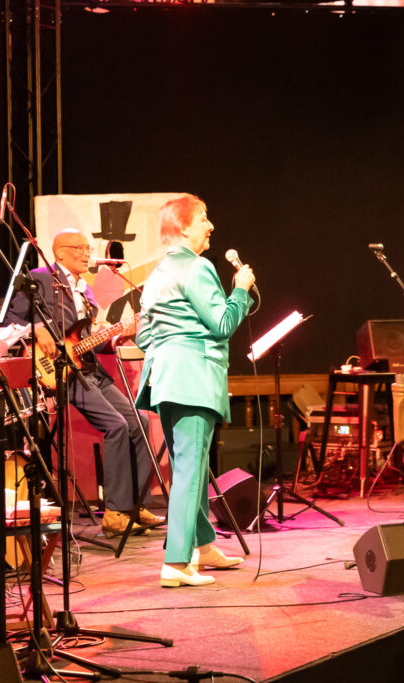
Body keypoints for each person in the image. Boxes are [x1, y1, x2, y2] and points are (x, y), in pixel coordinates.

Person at [3, 229, 164, 538]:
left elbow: (87, 340)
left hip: (89, 370)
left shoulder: (85, 290)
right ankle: (115, 512)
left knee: (140, 423)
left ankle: (135, 506)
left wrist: (117, 337)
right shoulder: (40, 278)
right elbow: (9, 320)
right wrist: (36, 328)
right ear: (59, 252)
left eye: (88, 247)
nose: (86, 253)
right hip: (61, 371)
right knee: (116, 426)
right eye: (78, 248)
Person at [135, 195, 254, 588]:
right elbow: (222, 324)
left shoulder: (157, 273)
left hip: (165, 380)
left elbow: (143, 335)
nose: (211, 226)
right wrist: (241, 290)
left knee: (193, 468)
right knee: (189, 471)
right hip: (194, 379)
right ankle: (176, 561)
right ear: (184, 227)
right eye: (204, 219)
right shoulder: (198, 267)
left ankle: (203, 545)